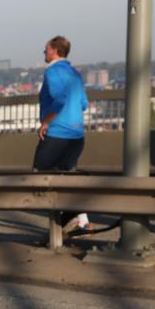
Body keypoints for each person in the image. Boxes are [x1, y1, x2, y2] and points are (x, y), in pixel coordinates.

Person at [34, 36, 90, 234]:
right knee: (67, 177)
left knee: (39, 176)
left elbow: (59, 100)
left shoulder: (53, 72)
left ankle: (70, 218)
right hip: (77, 136)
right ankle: (81, 220)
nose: (44, 53)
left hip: (57, 133)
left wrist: (47, 122)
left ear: (54, 51)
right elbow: (84, 104)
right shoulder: (75, 73)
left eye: (46, 50)